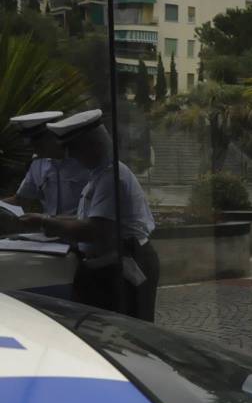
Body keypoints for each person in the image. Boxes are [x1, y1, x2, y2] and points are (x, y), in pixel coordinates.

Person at [20, 110, 160, 321]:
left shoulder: (112, 179)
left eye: (74, 149)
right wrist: (47, 220)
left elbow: (94, 230)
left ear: (93, 145)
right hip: (110, 264)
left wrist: (43, 222)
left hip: (126, 263)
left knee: (127, 335)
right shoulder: (100, 175)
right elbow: (85, 220)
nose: (72, 156)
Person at [2, 111, 90, 216]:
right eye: (32, 146)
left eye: (39, 145)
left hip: (83, 228)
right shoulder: (38, 163)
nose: (35, 150)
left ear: (55, 136)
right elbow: (21, 199)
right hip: (49, 229)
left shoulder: (83, 160)